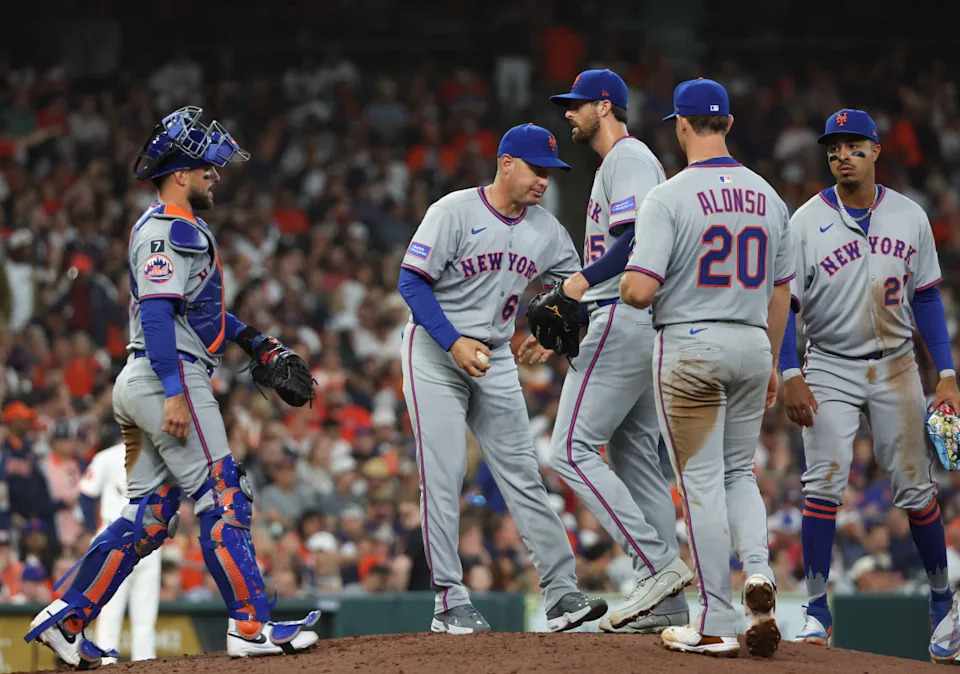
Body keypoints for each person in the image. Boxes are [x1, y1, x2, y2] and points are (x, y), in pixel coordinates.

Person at [25, 106, 319, 668]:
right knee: (224, 496)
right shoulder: (171, 229)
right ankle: (250, 626)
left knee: (151, 516)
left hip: (145, 378)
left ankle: (67, 618)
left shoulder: (162, 227)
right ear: (180, 174)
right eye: (207, 168)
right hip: (168, 376)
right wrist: (176, 391)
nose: (215, 176)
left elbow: (200, 315)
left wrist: (257, 343)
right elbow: (160, 315)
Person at [398, 123, 607, 633]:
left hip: (493, 354)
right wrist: (451, 340)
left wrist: (551, 334)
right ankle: (449, 599)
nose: (543, 181)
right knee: (444, 478)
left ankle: (561, 594)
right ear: (506, 162)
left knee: (525, 477)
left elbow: (572, 290)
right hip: (434, 348)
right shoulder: (453, 211)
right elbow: (411, 281)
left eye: (550, 173)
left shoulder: (547, 230)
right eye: (537, 170)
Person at [620, 78, 795, 658]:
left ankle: (717, 623)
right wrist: (771, 359)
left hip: (691, 345)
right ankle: (760, 576)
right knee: (738, 473)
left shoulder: (667, 197)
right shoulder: (770, 197)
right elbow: (780, 294)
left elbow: (641, 291)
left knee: (699, 486)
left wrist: (619, 281)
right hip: (750, 342)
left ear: (680, 124)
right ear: (729, 124)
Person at [778, 108, 960, 657]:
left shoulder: (910, 216)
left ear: (876, 151)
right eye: (833, 147)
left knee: (915, 487)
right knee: (823, 484)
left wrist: (946, 372)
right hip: (829, 362)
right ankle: (814, 610)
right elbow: (784, 304)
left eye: (854, 146)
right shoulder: (804, 221)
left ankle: (942, 604)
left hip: (896, 362)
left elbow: (925, 294)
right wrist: (789, 371)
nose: (842, 155)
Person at [546, 69, 690, 634]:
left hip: (621, 316)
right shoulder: (626, 163)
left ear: (604, 106)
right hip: (636, 326)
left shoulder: (628, 157)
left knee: (570, 450)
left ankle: (657, 567)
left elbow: (634, 242)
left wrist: (580, 283)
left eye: (577, 105)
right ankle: (669, 606)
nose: (569, 114)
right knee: (635, 460)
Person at [78, 443, 160, 664]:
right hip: (115, 534)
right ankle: (106, 663)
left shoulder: (159, 455)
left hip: (149, 539)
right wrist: (89, 530)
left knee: (146, 613)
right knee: (109, 611)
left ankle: (146, 663)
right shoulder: (108, 456)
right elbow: (86, 494)